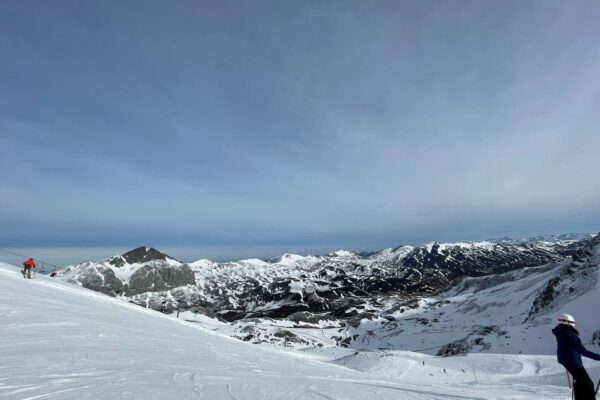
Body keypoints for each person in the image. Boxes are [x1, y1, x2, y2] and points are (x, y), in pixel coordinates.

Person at [552, 313, 600, 400]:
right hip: (573, 362)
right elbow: (584, 351)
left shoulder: (561, 332)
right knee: (588, 384)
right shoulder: (571, 335)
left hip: (567, 361)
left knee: (580, 381)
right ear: (568, 322)